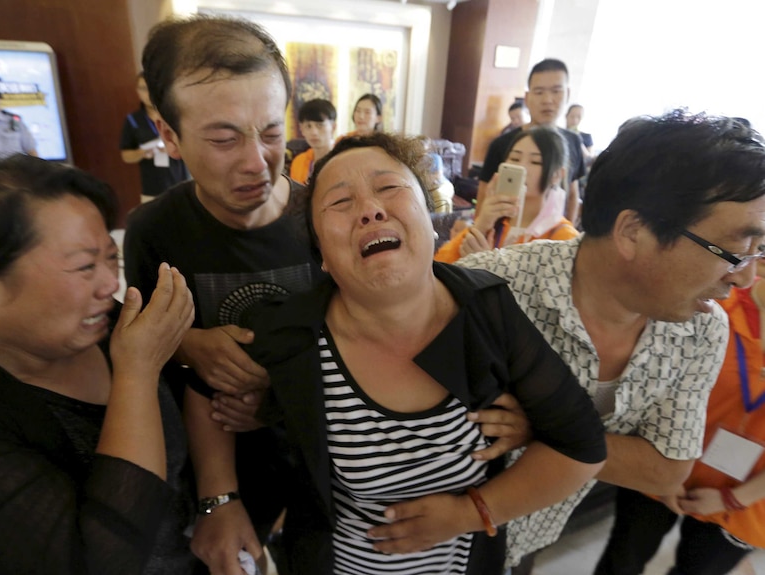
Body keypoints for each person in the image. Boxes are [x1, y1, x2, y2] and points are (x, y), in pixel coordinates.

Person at [193, 132, 607, 574]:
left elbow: (580, 448)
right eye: (340, 202)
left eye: (389, 188)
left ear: (432, 221)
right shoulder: (294, 330)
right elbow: (205, 379)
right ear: (324, 258)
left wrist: (472, 513)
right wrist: (219, 499)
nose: (371, 209)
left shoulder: (487, 308)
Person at [456, 111, 765, 571]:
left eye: (759, 252)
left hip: (534, 532)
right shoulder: (495, 289)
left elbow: (666, 469)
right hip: (439, 537)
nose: (746, 277)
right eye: (735, 252)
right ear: (633, 232)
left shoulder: (702, 328)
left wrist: (543, 427)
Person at [0, 155, 196, 574]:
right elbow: (100, 562)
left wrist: (218, 502)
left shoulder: (98, 322)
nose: (111, 284)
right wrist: (137, 373)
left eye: (110, 258)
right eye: (84, 266)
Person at [123, 14, 326, 573]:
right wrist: (186, 342)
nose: (256, 162)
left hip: (325, 467)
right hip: (221, 475)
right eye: (223, 138)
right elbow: (144, 357)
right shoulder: (156, 231)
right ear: (169, 135)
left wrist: (282, 394)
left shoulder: (324, 219)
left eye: (271, 132)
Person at [593, 270, 765, 575]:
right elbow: (653, 389)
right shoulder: (710, 309)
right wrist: (664, 478)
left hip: (748, 500)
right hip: (659, 465)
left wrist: (733, 499)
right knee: (621, 562)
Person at [435, 127, 577, 263]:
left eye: (535, 162)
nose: (522, 167)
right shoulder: (495, 226)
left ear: (557, 175)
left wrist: (487, 265)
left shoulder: (564, 239)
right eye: (515, 159)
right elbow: (439, 266)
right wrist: (481, 224)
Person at [477, 59, 585, 224]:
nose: (547, 100)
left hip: (553, 242)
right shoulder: (502, 144)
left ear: (568, 94)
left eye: (556, 91)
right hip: (505, 239)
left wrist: (569, 243)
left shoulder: (573, 141)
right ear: (527, 98)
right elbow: (483, 199)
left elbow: (572, 193)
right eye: (539, 92)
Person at [120, 72, 189, 201]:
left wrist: (172, 148)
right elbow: (125, 155)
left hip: (181, 185)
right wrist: (142, 153)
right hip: (152, 190)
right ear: (137, 91)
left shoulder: (174, 116)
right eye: (143, 89)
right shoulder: (133, 120)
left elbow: (192, 146)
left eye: (151, 88)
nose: (148, 93)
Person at [289, 98, 336, 184]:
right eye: (308, 126)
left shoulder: (342, 160)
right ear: (301, 129)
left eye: (320, 125)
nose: (314, 132)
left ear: (333, 127)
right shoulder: (298, 162)